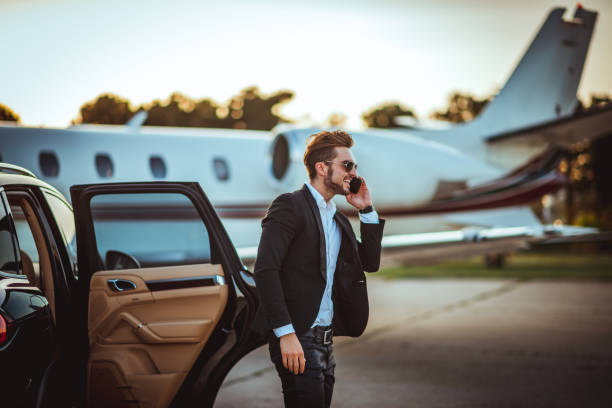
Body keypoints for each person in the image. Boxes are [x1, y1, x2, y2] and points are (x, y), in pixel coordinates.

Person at [253, 130, 385, 408]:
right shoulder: (289, 206)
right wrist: (286, 334)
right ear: (321, 168)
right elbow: (266, 269)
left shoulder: (337, 220)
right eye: (347, 165)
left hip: (326, 340)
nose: (353, 173)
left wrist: (367, 209)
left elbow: (370, 263)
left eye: (355, 167)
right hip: (297, 337)